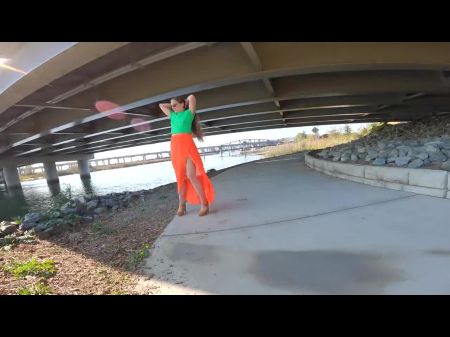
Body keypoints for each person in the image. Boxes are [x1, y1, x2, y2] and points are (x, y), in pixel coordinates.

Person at [159, 94, 215, 216]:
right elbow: (161, 105)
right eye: (172, 106)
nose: (173, 107)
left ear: (183, 104)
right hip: (176, 148)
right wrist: (172, 103)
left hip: (188, 147)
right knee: (180, 177)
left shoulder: (189, 114)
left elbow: (192, 97)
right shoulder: (173, 115)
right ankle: (182, 205)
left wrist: (183, 101)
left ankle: (204, 203)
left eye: (175, 105)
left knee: (191, 175)